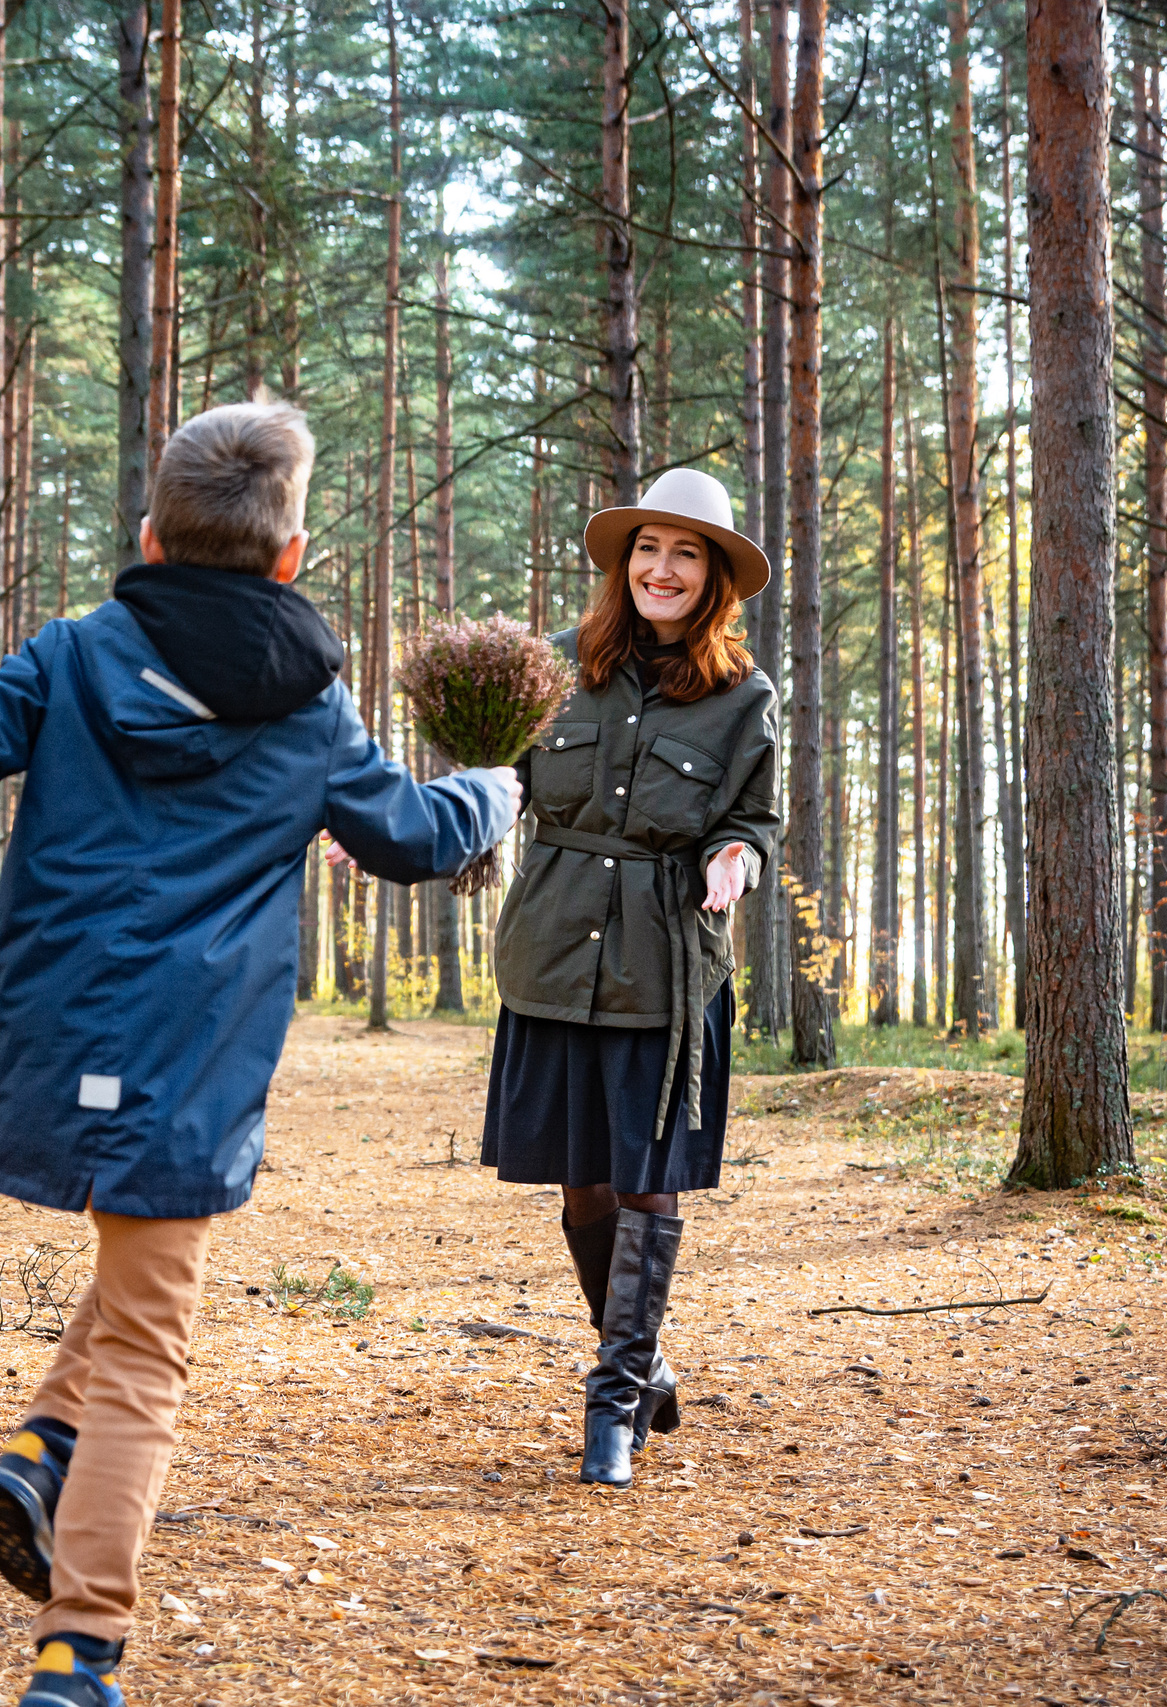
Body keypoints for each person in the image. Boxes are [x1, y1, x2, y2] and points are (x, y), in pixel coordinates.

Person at [0, 401, 519, 1707]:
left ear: (148, 536)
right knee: (153, 1338)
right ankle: (81, 1648)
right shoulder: (313, 707)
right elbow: (410, 832)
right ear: (289, 557)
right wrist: (495, 790)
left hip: (60, 1024)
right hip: (192, 1044)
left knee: (141, 1256)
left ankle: (40, 1449)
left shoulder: (71, 655)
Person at [482, 464, 781, 1490]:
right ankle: (644, 1357)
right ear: (624, 563)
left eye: (686, 554)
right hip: (555, 953)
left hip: (667, 962)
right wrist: (414, 832)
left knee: (649, 1180)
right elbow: (492, 785)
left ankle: (610, 1405)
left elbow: (753, 818)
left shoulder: (743, 695)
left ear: (714, 578)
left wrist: (735, 856)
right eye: (649, 549)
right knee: (584, 1184)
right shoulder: (550, 667)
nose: (663, 568)